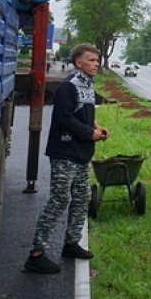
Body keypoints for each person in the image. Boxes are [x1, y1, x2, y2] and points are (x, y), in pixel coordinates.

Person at [24, 44, 109, 274]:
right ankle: (36, 254)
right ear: (79, 63)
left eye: (97, 60)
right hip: (65, 153)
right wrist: (89, 133)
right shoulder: (68, 86)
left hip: (81, 154)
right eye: (91, 60)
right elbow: (63, 119)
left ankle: (71, 244)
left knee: (82, 197)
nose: (96, 64)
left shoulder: (87, 85)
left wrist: (96, 127)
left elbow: (83, 113)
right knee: (59, 200)